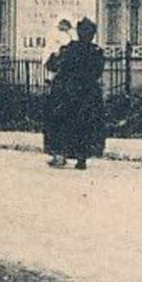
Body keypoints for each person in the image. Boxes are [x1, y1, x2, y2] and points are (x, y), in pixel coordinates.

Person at [43, 17, 106, 170]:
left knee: (61, 122)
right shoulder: (96, 52)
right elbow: (98, 72)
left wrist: (55, 56)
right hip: (89, 93)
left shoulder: (69, 49)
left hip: (68, 91)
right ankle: (81, 157)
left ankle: (60, 155)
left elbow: (54, 66)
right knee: (85, 124)